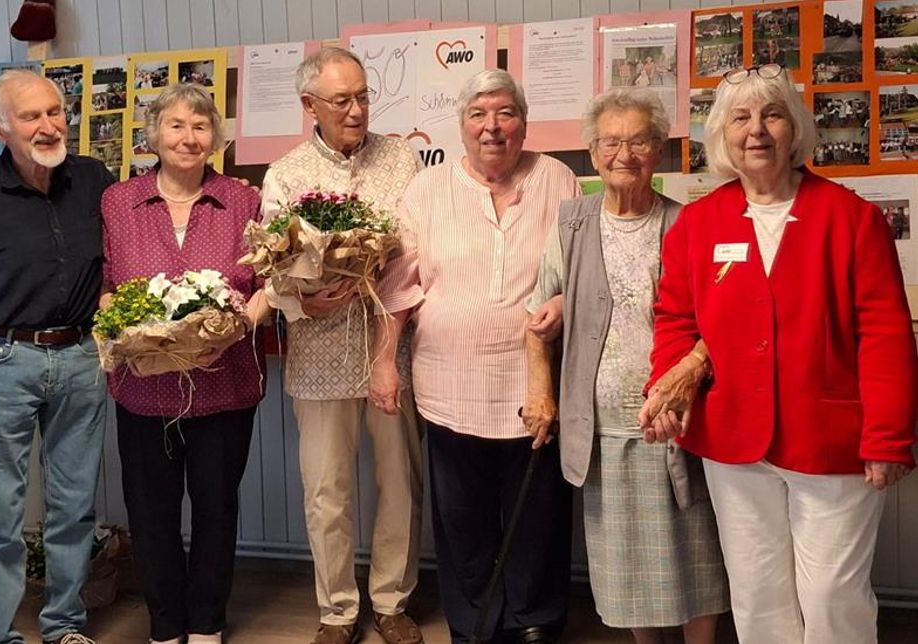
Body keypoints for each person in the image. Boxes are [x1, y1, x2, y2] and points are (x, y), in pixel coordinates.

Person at [642, 63, 918, 644]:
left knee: (831, 596)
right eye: (740, 118)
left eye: (772, 115)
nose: (756, 131)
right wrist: (669, 386)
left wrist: (888, 437)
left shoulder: (852, 219)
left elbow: (886, 336)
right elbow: (675, 319)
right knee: (756, 590)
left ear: (795, 128)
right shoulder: (697, 224)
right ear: (722, 136)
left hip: (830, 440)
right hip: (733, 440)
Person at [372, 69, 577, 644]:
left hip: (533, 381)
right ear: (460, 126)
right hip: (449, 383)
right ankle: (475, 623)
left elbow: (579, 266)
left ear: (524, 122)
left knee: (537, 511)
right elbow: (398, 286)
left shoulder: (557, 178)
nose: (492, 127)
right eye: (478, 115)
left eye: (505, 113)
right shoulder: (425, 189)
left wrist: (562, 301)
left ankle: (535, 618)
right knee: (462, 518)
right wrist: (385, 360)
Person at [523, 88, 730, 644]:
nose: (624, 154)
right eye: (611, 142)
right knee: (625, 563)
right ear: (592, 153)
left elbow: (718, 322)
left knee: (696, 552)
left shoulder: (687, 222)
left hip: (679, 419)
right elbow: (537, 318)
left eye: (638, 140)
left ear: (658, 149)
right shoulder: (571, 223)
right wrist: (541, 392)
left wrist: (685, 375)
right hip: (602, 426)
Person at [260, 47, 424, 644]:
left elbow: (414, 254)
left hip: (391, 348)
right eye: (341, 100)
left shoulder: (400, 158)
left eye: (362, 96)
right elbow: (270, 273)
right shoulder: (286, 174)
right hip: (318, 350)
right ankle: (337, 609)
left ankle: (391, 599)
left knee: (400, 479)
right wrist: (304, 302)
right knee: (327, 489)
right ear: (310, 105)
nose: (356, 110)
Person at [100, 83, 268, 644]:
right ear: (154, 135)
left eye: (200, 127)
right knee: (151, 517)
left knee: (217, 511)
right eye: (176, 125)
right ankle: (165, 626)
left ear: (215, 138)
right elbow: (104, 287)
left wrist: (239, 325)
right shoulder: (118, 202)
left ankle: (207, 624)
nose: (188, 137)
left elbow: (271, 283)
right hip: (142, 392)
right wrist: (126, 325)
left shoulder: (245, 200)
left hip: (226, 385)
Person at [0, 69, 114, 644]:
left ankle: (63, 625)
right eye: (30, 116)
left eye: (55, 110)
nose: (49, 125)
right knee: (0, 515)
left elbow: (118, 263)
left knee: (73, 508)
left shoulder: (95, 178)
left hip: (81, 359)